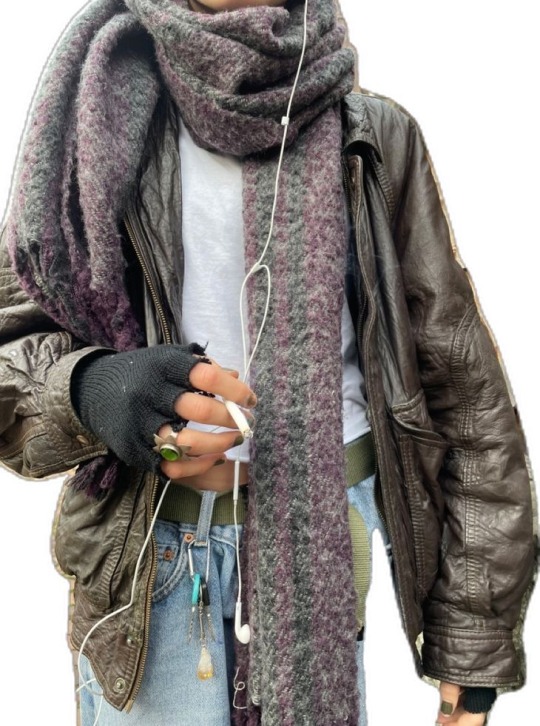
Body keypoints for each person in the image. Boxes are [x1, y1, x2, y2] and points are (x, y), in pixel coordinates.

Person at [0, 0, 537, 724]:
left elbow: (465, 394)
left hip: (322, 556)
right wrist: (92, 389)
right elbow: (11, 352)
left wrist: (472, 645)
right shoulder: (97, 118)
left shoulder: (372, 137)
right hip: (151, 566)